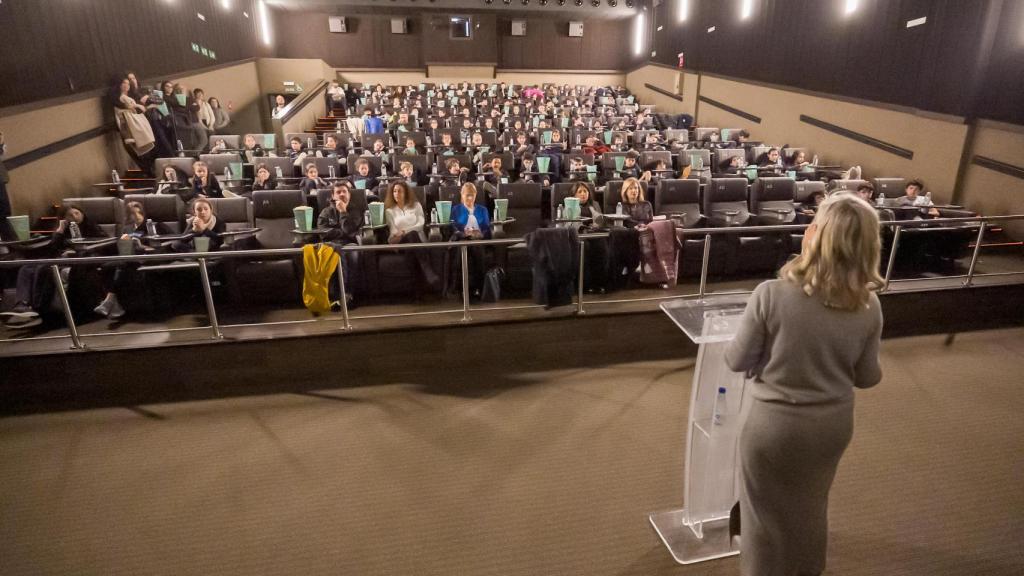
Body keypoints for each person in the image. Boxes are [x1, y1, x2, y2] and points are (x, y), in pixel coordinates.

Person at [724, 193, 884, 576]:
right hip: (831, 427)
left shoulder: (770, 295)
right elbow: (867, 377)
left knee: (762, 518)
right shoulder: (869, 304)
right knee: (811, 509)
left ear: (815, 235)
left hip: (774, 428)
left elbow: (736, 360)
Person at [2, 205, 105, 328]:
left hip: (78, 260)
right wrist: (59, 231)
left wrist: (75, 252)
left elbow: (100, 245)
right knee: (27, 268)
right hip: (59, 258)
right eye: (70, 215)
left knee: (43, 268)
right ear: (64, 218)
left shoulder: (92, 227)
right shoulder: (63, 230)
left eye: (77, 213)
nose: (75, 217)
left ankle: (37, 309)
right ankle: (22, 304)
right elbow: (52, 250)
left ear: (82, 213)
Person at [93, 201, 150, 319]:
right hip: (128, 256)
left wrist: (141, 246)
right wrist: (124, 241)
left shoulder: (151, 225)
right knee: (106, 266)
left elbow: (159, 246)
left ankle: (110, 300)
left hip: (144, 257)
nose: (137, 216)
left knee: (123, 264)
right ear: (129, 216)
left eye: (138, 213)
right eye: (133, 214)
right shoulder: (127, 228)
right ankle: (116, 305)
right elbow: (122, 247)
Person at [384, 181, 440, 290]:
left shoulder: (416, 205)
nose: (396, 194)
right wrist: (399, 235)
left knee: (412, 245)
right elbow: (393, 232)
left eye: (400, 191)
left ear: (406, 193)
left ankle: (417, 291)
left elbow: (420, 224)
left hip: (417, 239)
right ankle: (428, 271)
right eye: (394, 191)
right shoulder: (389, 211)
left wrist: (405, 231)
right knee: (412, 236)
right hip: (400, 242)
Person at [317, 181, 364, 306]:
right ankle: (339, 296)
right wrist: (343, 232)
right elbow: (323, 233)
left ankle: (348, 294)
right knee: (336, 253)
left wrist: (343, 212)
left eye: (344, 191)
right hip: (331, 245)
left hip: (350, 244)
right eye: (338, 192)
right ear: (333, 196)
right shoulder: (326, 212)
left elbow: (351, 232)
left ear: (349, 194)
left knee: (352, 255)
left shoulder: (355, 211)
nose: (342, 194)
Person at [450, 183, 491, 299]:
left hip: (479, 240)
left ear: (476, 195)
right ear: (462, 195)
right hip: (462, 240)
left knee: (476, 246)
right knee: (465, 247)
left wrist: (480, 234)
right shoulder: (456, 209)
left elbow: (487, 228)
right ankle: (464, 289)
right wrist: (465, 233)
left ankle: (479, 288)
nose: (469, 198)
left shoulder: (483, 210)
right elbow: (453, 227)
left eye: (472, 195)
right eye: (467, 195)